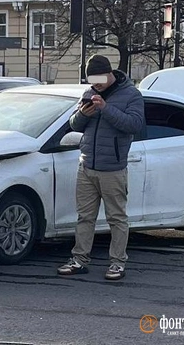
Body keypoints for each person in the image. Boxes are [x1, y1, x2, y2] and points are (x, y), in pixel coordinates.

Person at [57, 55, 145, 281]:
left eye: (98, 79)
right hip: (87, 164)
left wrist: (105, 108)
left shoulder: (131, 95)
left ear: (110, 73)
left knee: (116, 217)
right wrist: (81, 115)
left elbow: (134, 125)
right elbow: (74, 125)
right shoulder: (88, 93)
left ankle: (117, 263)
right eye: (91, 80)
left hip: (113, 167)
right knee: (84, 217)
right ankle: (79, 259)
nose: (95, 85)